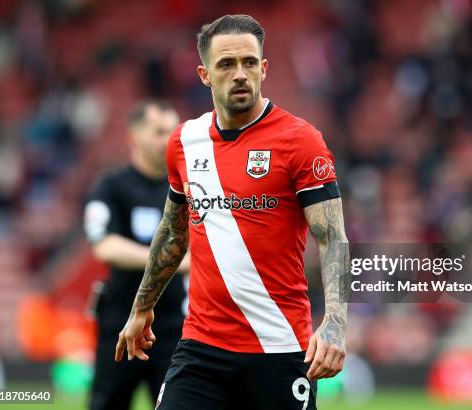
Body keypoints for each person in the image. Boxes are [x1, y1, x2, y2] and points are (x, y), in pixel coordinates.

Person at [115, 15, 349, 410]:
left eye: (249, 62)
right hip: (201, 349)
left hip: (280, 348)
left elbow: (333, 238)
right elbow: (173, 234)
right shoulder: (184, 142)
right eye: (226, 65)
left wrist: (337, 325)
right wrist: (142, 307)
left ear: (264, 68)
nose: (240, 74)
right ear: (205, 75)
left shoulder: (300, 141)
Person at [84, 101, 189, 410]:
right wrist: (167, 260)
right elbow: (103, 245)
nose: (167, 139)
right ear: (134, 136)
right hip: (119, 320)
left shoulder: (186, 189)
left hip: (172, 327)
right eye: (159, 131)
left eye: (173, 131)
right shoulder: (111, 187)